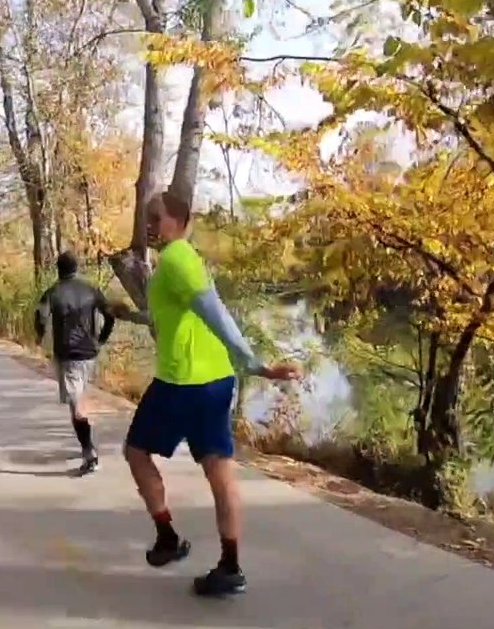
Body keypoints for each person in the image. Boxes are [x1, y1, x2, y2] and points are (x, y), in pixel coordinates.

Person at [119, 191, 300, 598]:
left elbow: (215, 313)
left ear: (179, 220)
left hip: (182, 383)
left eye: (156, 217)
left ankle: (167, 537)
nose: (149, 224)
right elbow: (174, 315)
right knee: (220, 471)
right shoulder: (183, 260)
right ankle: (230, 567)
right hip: (216, 381)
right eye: (146, 217)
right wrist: (128, 314)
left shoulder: (178, 258)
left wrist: (258, 365)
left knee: (135, 451)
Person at [35, 251, 115, 474]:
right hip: (90, 353)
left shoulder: (53, 292)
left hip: (69, 355)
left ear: (58, 269)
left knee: (77, 407)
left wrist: (39, 337)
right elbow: (109, 315)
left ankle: (90, 454)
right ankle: (87, 444)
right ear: (76, 268)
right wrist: (101, 339)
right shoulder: (91, 290)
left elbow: (40, 317)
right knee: (80, 400)